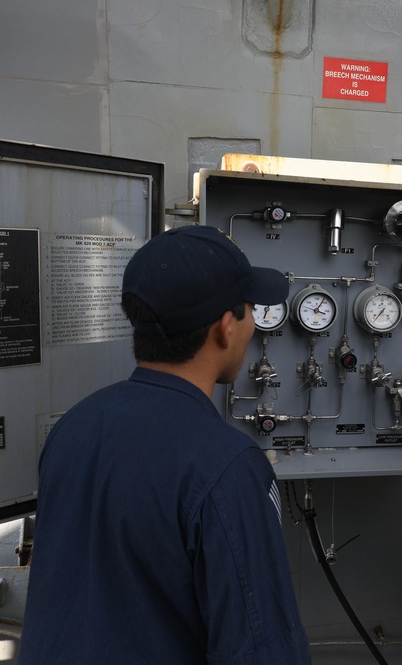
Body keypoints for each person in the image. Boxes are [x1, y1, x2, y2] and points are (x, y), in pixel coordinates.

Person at [19, 225, 310, 664]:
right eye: (250, 309)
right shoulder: (227, 466)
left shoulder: (75, 425)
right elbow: (262, 650)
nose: (254, 324)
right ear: (225, 328)